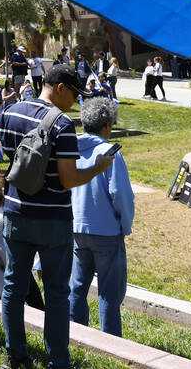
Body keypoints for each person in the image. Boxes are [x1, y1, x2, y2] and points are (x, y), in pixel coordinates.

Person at [0, 64, 114, 369]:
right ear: (60, 88)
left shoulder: (10, 111)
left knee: (13, 286)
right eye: (75, 95)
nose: (75, 102)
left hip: (15, 215)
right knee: (56, 292)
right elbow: (67, 180)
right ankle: (58, 361)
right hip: (54, 221)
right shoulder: (63, 125)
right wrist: (97, 167)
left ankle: (16, 356)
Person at [68, 99, 134, 337]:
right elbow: (121, 194)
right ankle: (110, 342)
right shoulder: (109, 152)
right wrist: (125, 225)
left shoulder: (70, 149)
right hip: (106, 232)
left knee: (76, 288)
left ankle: (74, 335)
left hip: (76, 228)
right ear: (107, 125)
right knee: (109, 292)